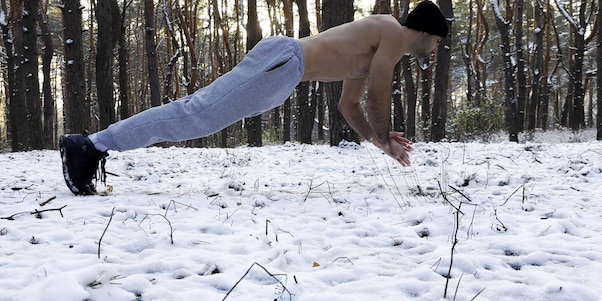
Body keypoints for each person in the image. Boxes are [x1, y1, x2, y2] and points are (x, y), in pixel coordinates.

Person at [59, 0, 449, 195]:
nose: (434, 52)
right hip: (285, 62)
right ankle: (90, 146)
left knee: (198, 115)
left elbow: (349, 106)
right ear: (428, 33)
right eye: (437, 44)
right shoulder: (394, 34)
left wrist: (380, 142)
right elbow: (379, 97)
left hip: (284, 72)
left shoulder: (374, 48)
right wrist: (384, 137)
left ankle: (93, 146)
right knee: (197, 114)